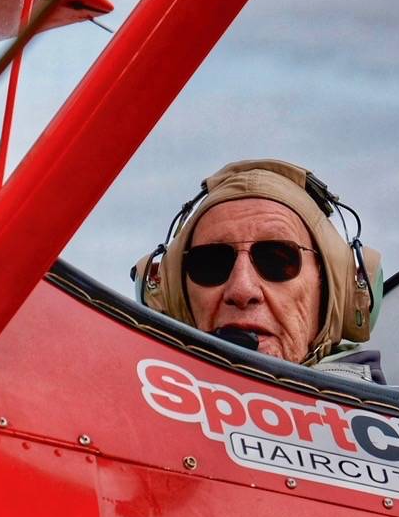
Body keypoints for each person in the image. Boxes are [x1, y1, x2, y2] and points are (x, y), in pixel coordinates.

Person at [132, 159, 385, 383]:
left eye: (276, 261)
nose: (241, 290)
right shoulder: (124, 416)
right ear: (173, 296)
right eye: (211, 263)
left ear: (337, 290)